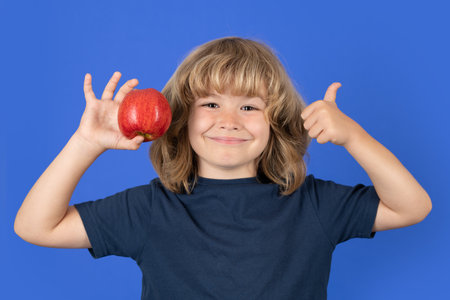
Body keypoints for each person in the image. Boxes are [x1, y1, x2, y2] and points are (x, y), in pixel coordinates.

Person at [14, 36, 431, 300]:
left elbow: (412, 207)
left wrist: (354, 137)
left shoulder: (316, 205)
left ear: (275, 123)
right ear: (180, 119)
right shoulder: (149, 209)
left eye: (249, 106)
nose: (229, 119)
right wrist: (85, 144)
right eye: (211, 104)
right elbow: (36, 226)